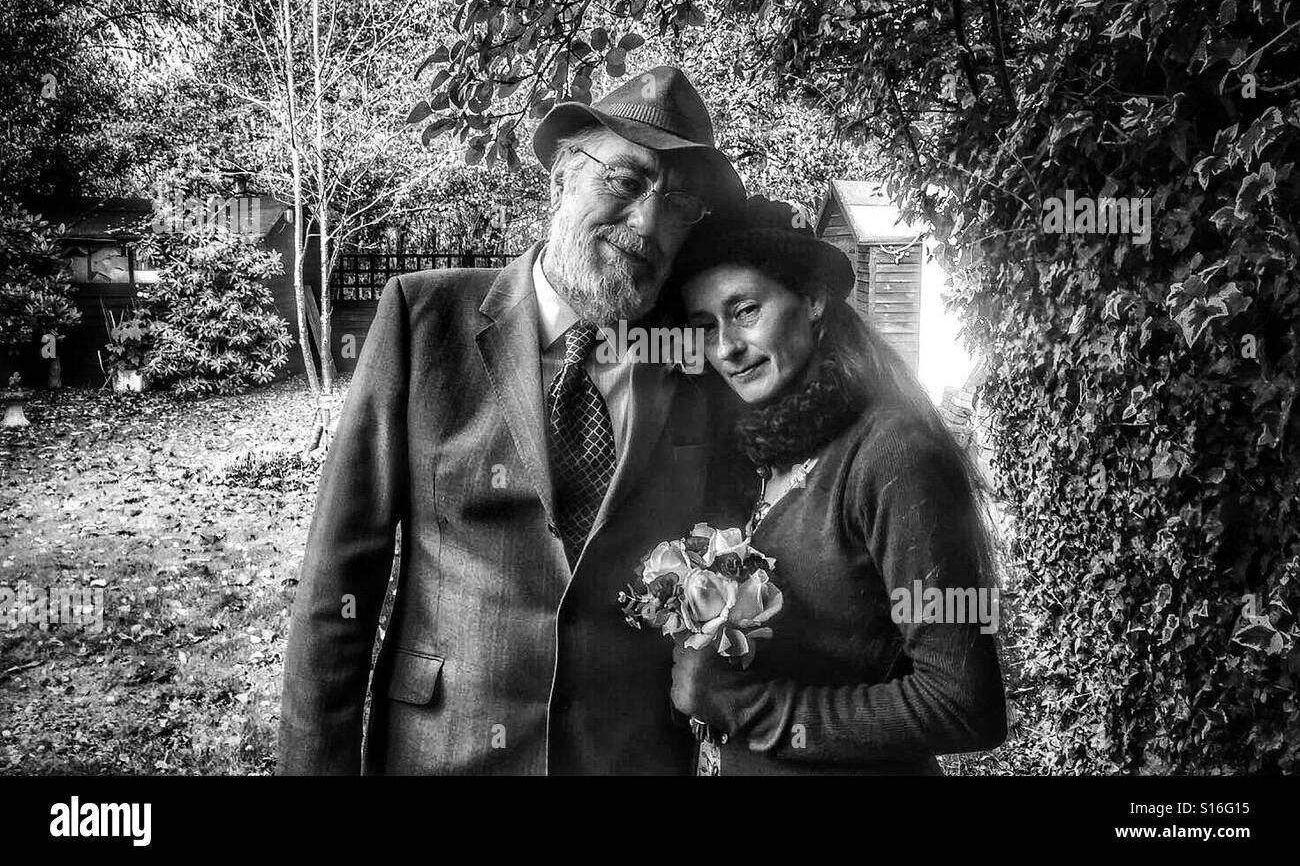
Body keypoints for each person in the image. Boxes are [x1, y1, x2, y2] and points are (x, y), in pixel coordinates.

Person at [277, 66, 745, 775]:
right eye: (624, 182)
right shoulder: (421, 321)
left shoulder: (700, 360)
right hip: (443, 751)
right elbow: (339, 582)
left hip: (629, 756)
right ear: (561, 177)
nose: (648, 223)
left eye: (678, 205)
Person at [666, 196, 1008, 775]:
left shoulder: (890, 454)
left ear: (814, 300)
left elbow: (964, 702)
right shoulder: (754, 452)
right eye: (704, 327)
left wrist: (748, 707)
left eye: (745, 310)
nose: (725, 347)